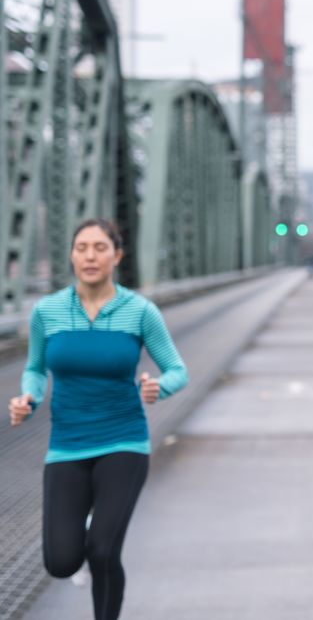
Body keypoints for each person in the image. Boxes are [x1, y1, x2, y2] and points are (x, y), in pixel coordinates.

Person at [8, 218, 188, 620]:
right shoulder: (47, 311)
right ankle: (90, 520)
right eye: (82, 247)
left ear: (117, 256)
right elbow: (36, 368)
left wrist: (159, 387)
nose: (90, 256)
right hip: (66, 446)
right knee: (60, 562)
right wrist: (29, 397)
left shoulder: (139, 311)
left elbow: (178, 369)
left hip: (124, 442)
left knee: (103, 550)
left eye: (100, 248)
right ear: (71, 255)